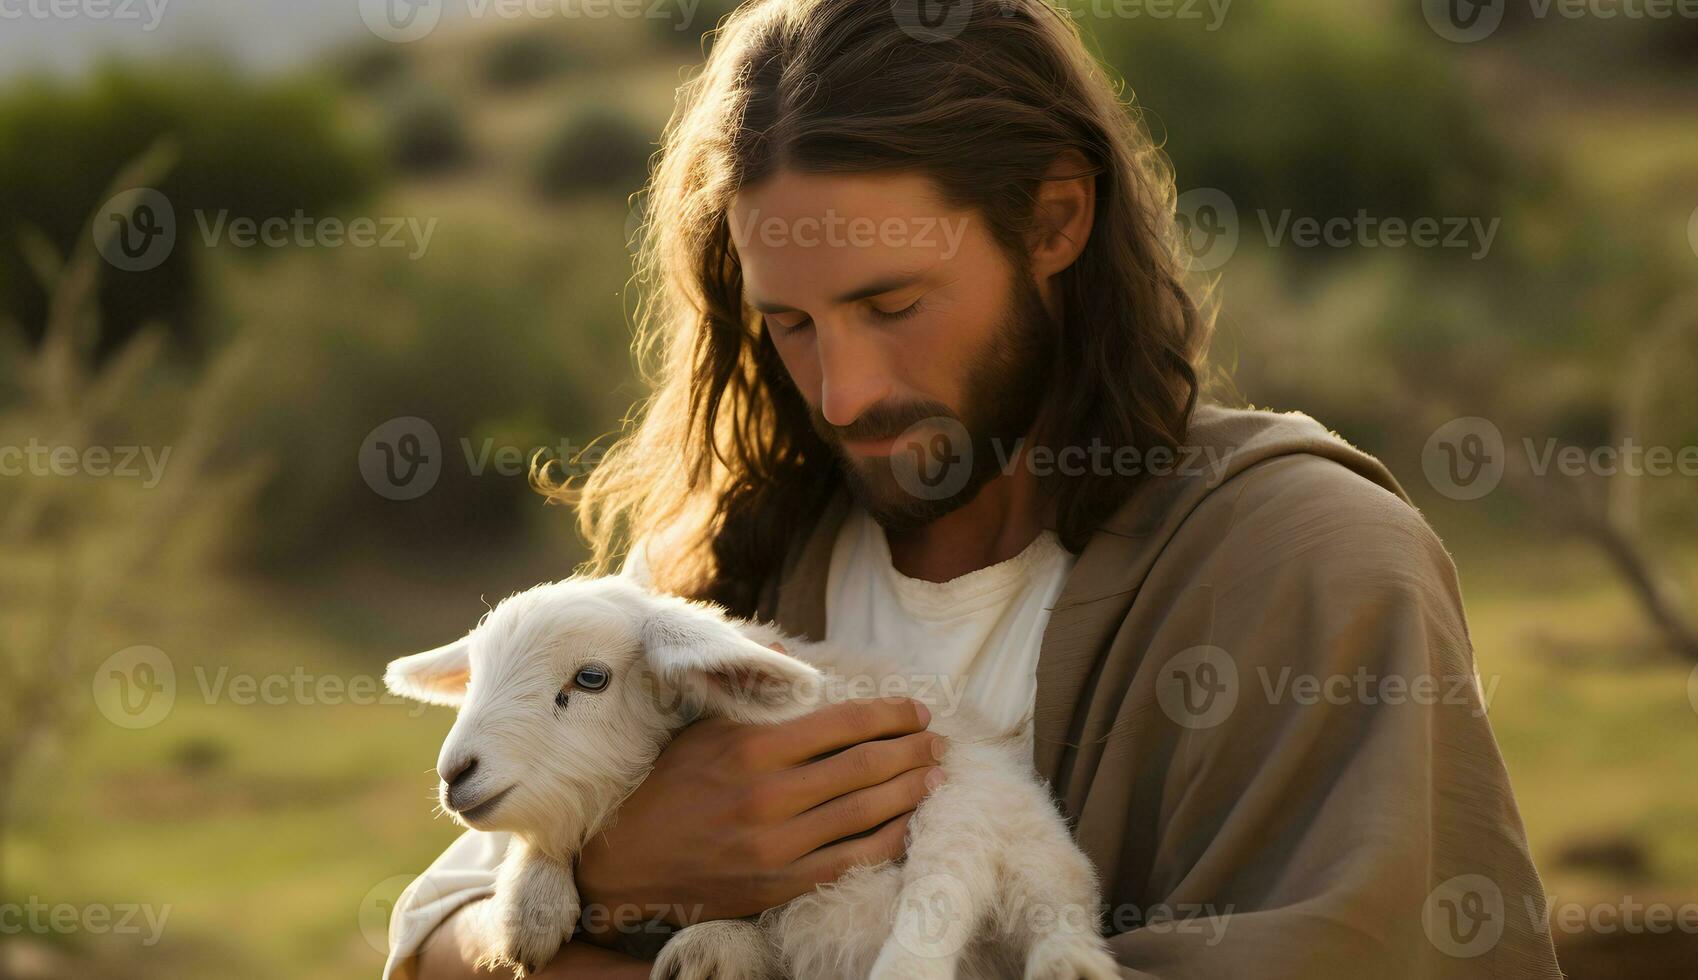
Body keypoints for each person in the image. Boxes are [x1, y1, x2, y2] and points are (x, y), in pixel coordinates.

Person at [386, 0, 1564, 976]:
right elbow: (437, 934)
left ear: (1053, 219)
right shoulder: (719, 566)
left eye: (892, 305)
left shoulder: (1310, 562)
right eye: (789, 322)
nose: (842, 393)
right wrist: (621, 866)